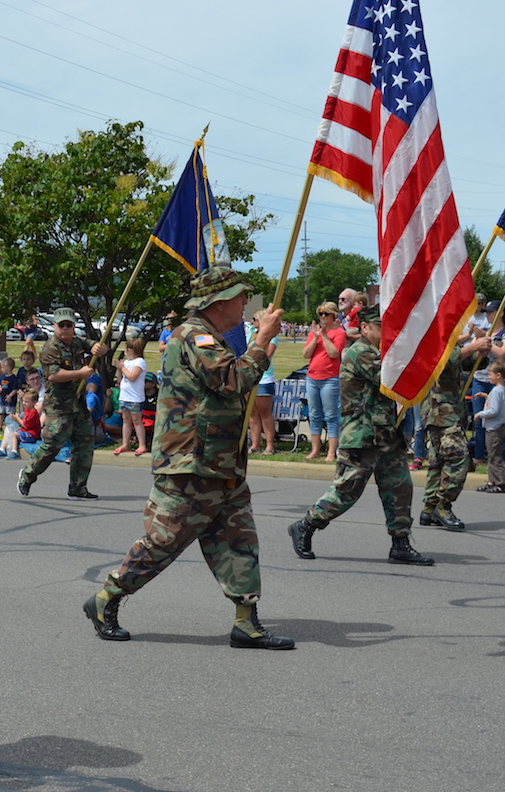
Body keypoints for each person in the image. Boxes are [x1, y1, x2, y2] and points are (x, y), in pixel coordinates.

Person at [82, 267, 294, 650]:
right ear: (219, 301)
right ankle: (104, 599)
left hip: (221, 463)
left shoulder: (211, 337)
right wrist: (262, 339)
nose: (246, 301)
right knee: (163, 542)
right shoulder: (194, 335)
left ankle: (246, 622)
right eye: (240, 295)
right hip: (191, 463)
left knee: (238, 541)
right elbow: (232, 381)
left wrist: (262, 345)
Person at [288, 305, 435, 565]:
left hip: (386, 434)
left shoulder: (378, 352)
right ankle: (306, 524)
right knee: (347, 491)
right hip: (362, 435)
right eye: (381, 327)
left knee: (399, 487)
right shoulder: (361, 353)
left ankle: (400, 543)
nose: (387, 332)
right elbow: (391, 380)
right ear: (365, 328)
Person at [17, 308, 108, 500]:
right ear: (54, 326)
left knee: (85, 445)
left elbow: (93, 344)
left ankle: (78, 488)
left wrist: (99, 348)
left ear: (74, 326)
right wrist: (81, 374)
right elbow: (53, 375)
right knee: (52, 445)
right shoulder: (50, 348)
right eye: (61, 325)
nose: (65, 328)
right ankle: (27, 475)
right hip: (59, 406)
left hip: (78, 404)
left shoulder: (76, 341)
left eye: (69, 325)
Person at [420, 333, 491, 530]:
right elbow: (446, 360)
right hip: (439, 411)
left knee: (439, 461)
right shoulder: (432, 336)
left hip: (447, 412)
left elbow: (469, 363)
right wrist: (474, 345)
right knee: (459, 457)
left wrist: (481, 354)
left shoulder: (449, 342)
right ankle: (443, 505)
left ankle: (429, 508)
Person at [469, 301, 505, 465]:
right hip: (480, 379)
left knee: (498, 419)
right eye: (486, 312)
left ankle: (500, 457)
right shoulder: (484, 332)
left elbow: (502, 353)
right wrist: (477, 340)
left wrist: (485, 340)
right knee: (479, 419)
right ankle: (479, 456)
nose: (487, 315)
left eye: (490, 312)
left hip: (500, 382)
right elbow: (475, 352)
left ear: (500, 313)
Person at [303, 301, 347, 461]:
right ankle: (315, 450)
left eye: (326, 314)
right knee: (314, 414)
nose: (322, 316)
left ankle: (331, 452)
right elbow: (306, 354)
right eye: (320, 313)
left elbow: (334, 353)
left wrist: (324, 335)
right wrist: (315, 338)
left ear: (333, 315)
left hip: (329, 379)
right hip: (312, 377)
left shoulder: (339, 333)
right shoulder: (314, 333)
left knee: (331, 416)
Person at [474, 360, 505, 493]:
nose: (489, 377)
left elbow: (494, 410)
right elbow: (497, 403)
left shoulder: (496, 391)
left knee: (494, 456)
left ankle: (501, 483)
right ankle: (492, 481)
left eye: (490, 374)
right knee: (491, 455)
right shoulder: (501, 390)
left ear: (498, 375)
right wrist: (486, 396)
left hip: (494, 428)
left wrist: (480, 414)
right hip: (497, 427)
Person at [246, 309, 279, 455]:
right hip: (250, 376)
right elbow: (247, 352)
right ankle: (255, 444)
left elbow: (266, 354)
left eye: (255, 319)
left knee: (265, 412)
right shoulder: (251, 334)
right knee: (252, 413)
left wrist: (260, 340)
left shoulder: (272, 336)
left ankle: (270, 445)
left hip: (265, 377)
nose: (252, 322)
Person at [112, 336, 148, 456]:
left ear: (130, 350)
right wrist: (119, 369)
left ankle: (142, 445)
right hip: (125, 396)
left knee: (136, 421)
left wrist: (123, 368)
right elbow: (120, 379)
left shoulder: (140, 362)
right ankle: (125, 443)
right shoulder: (127, 363)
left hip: (135, 397)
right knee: (126, 420)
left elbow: (133, 377)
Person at [0, 389, 41, 459]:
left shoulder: (33, 412)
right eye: (23, 401)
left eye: (26, 402)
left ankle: (14, 452)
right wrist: (17, 416)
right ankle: (2, 450)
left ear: (34, 402)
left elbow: (26, 425)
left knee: (14, 435)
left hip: (32, 434)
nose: (24, 403)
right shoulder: (27, 410)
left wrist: (17, 419)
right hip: (25, 431)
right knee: (8, 431)